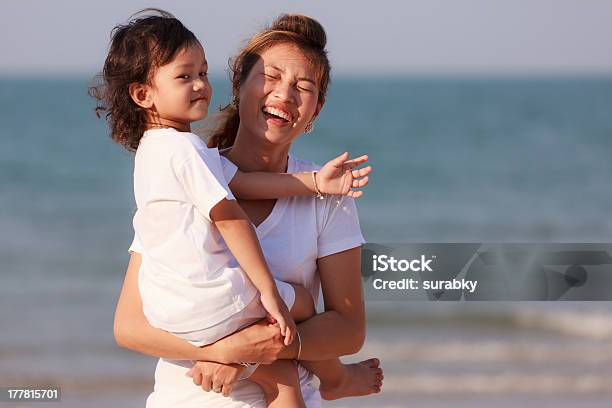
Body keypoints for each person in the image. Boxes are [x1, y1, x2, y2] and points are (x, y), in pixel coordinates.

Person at [113, 12, 384, 408]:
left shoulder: (329, 198)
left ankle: (337, 380)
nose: (285, 95)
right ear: (240, 82)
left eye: (303, 87)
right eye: (270, 77)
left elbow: (348, 329)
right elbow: (130, 327)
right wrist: (227, 351)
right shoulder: (182, 176)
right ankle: (339, 378)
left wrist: (253, 354)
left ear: (316, 110)